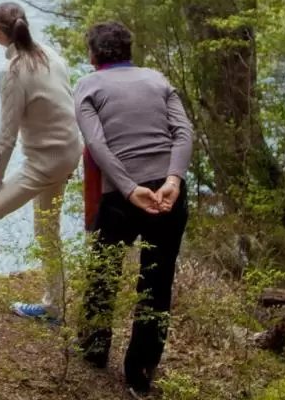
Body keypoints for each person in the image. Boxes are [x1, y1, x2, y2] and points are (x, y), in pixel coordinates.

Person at [73, 21, 192, 397]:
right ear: (129, 52)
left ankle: (93, 349)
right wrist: (172, 181)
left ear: (92, 56)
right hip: (169, 195)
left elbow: (97, 144)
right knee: (157, 282)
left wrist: (128, 188)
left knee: (104, 270)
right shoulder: (158, 80)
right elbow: (184, 132)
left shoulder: (88, 86)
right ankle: (139, 374)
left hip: (120, 197)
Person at [0, 2, 82, 325]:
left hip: (45, 162)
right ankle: (53, 307)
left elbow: (6, 138)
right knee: (47, 229)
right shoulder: (52, 55)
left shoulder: (13, 72)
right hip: (69, 153)